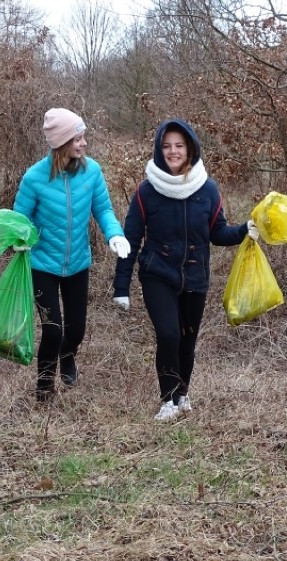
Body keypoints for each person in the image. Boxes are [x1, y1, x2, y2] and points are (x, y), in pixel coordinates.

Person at [112, 118, 258, 421]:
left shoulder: (207, 189)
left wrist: (246, 229)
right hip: (157, 273)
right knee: (168, 335)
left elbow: (217, 234)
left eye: (179, 145)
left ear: (190, 148)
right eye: (166, 146)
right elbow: (131, 240)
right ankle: (167, 400)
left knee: (187, 339)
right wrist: (121, 287)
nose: (173, 151)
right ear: (158, 150)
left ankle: (182, 394)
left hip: (195, 277)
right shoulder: (146, 191)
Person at [14, 108, 131, 402]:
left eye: (83, 137)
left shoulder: (92, 171)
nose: (84, 143)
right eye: (78, 138)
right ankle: (44, 388)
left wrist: (114, 234)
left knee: (76, 331)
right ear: (62, 142)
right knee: (52, 330)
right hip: (43, 265)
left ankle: (68, 356)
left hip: (78, 263)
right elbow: (19, 220)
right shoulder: (34, 178)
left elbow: (103, 209)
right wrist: (17, 239)